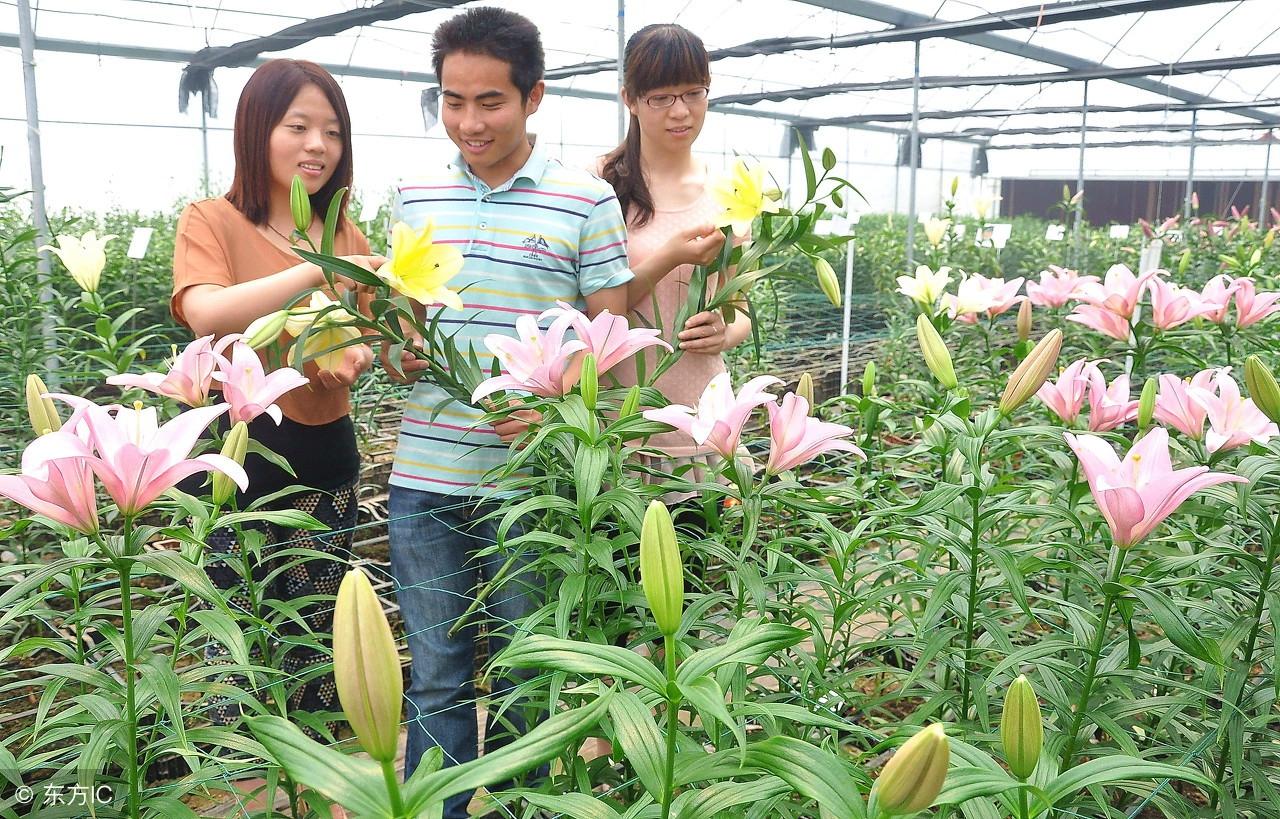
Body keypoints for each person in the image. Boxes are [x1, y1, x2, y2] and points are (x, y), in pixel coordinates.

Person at [381, 7, 632, 817]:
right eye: (452, 101)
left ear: (533, 98)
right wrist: (400, 353)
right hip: (426, 476)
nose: (469, 121)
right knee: (437, 672)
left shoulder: (584, 201)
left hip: (534, 486)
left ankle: (525, 808)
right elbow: (395, 333)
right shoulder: (414, 195)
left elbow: (611, 348)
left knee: (530, 670)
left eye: (489, 101)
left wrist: (557, 416)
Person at [170, 59, 382, 761]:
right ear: (258, 129)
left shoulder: (345, 232)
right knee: (236, 646)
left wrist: (356, 356)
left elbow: (360, 339)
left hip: (325, 455)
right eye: (298, 126)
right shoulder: (212, 220)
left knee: (321, 640)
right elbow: (205, 311)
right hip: (235, 465)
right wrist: (316, 270)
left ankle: (322, 781)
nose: (317, 145)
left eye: (332, 131)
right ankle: (250, 785)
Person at [599, 23, 752, 509]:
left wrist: (725, 332)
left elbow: (740, 306)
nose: (681, 111)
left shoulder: (728, 192)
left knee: (701, 581)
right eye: (661, 97)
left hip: (702, 429)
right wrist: (670, 257)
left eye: (693, 93)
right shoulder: (596, 185)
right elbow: (591, 309)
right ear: (630, 98)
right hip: (618, 433)